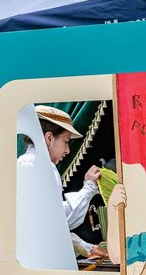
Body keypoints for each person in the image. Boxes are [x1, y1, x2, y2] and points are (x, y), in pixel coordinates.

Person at [17, 105, 105, 259]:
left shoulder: (23, 162)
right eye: (66, 142)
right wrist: (89, 188)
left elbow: (44, 224)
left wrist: (85, 247)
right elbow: (57, 221)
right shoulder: (42, 166)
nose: (67, 150)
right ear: (49, 138)